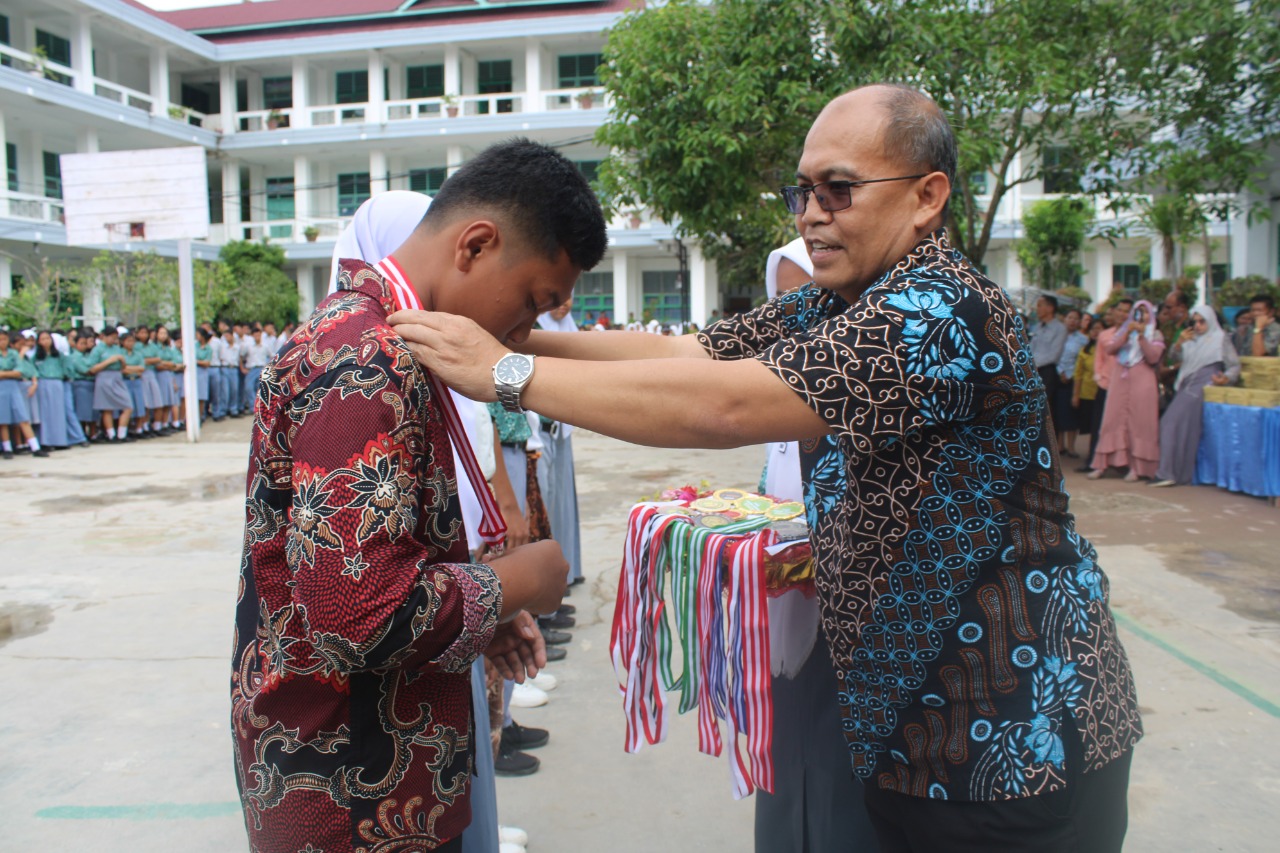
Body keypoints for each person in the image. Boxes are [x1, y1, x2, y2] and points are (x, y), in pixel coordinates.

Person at [394, 85, 1142, 853]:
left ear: (927, 197)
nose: (812, 213)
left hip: (1015, 733)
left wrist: (507, 373)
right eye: (804, 191)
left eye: (839, 189)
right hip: (917, 730)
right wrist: (500, 335)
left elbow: (728, 407)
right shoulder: (836, 302)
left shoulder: (942, 310)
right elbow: (686, 353)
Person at [231, 138, 604, 853]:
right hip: (346, 787)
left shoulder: (396, 337)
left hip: (381, 769)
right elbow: (356, 614)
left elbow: (378, 558)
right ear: (476, 244)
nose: (522, 335)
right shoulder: (361, 354)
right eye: (530, 304)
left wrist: (478, 617)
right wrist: (519, 578)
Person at [754, 236, 878, 853]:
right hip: (787, 602)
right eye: (783, 301)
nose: (797, 319)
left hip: (857, 620)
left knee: (836, 760)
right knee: (786, 742)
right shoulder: (783, 396)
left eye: (810, 298)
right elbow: (768, 494)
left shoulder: (872, 381)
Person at [1151, 306, 1240, 487]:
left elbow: (1234, 366)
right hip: (1187, 383)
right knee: (1186, 428)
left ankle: (1167, 472)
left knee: (1169, 422)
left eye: (1202, 321)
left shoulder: (1220, 338)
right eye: (1195, 322)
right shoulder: (1190, 339)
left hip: (1203, 383)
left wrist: (1225, 378)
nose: (1198, 326)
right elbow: (1174, 358)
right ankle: (1179, 473)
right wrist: (1179, 343)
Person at [534, 300, 584, 589]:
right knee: (545, 509)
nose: (565, 304)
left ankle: (568, 571)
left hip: (561, 430)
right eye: (558, 297)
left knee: (563, 504)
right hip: (538, 433)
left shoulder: (568, 330)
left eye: (570, 296)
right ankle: (551, 588)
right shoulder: (535, 330)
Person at [1089, 300, 1164, 481]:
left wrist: (1141, 336)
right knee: (1112, 419)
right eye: (1138, 312)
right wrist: (1127, 334)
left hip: (1143, 379)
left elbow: (1153, 357)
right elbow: (1110, 349)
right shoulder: (1123, 332)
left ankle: (1137, 468)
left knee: (1140, 423)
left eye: (1145, 312)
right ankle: (1102, 464)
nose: (1141, 316)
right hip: (1120, 379)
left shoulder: (1156, 334)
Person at [1081, 298, 1133, 472]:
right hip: (1105, 385)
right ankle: (1094, 461)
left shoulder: (1135, 335)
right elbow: (1099, 360)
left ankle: (1122, 463)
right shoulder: (1105, 335)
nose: (1122, 314)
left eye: (1127, 311)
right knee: (1099, 424)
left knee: (1124, 425)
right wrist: (1099, 378)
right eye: (1119, 310)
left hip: (1126, 387)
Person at [0, 328, 48, 459]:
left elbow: (19, 371)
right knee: (3, 420)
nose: (2, 342)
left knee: (23, 417)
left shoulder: (13, 354)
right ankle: (7, 448)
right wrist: (10, 373)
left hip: (14, 386)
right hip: (1, 388)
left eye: (4, 339)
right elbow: (14, 371)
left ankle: (35, 447)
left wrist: (4, 373)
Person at [87, 326, 134, 443]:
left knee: (128, 406)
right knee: (107, 408)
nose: (114, 340)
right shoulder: (97, 350)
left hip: (117, 376)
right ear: (104, 337)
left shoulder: (117, 348)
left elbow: (124, 367)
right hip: (104, 377)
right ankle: (111, 434)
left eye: (115, 338)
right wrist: (109, 361)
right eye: (112, 338)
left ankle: (121, 434)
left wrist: (122, 361)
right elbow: (92, 368)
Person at [1053, 308, 1088, 457]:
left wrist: (1070, 374)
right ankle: (1059, 445)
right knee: (1058, 412)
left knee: (1072, 412)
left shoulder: (1082, 340)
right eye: (1070, 318)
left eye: (1076, 318)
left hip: (1073, 379)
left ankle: (1072, 447)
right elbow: (1051, 356)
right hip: (1056, 376)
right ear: (1064, 319)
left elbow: (1081, 361)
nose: (1072, 321)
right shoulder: (1056, 337)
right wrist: (1060, 372)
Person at [1029, 294, 1066, 428]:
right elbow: (1031, 348)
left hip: (1047, 371)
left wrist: (1036, 364)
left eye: (1040, 305)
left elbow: (1054, 355)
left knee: (1047, 408)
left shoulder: (1060, 328)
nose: (1037, 309)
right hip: (1033, 371)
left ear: (1050, 308)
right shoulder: (1037, 326)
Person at [32, 330, 70, 450]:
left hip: (57, 383)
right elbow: (33, 369)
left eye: (48, 338)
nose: (46, 341)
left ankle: (60, 441)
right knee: (45, 413)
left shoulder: (58, 355)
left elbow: (65, 367)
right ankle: (45, 441)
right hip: (43, 383)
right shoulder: (36, 356)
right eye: (43, 339)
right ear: (38, 341)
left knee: (58, 412)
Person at [1071, 321, 1102, 454]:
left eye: (1099, 329)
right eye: (1093, 329)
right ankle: (1090, 454)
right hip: (1086, 392)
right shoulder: (1084, 350)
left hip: (1102, 392)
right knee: (1089, 425)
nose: (1096, 332)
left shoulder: (1107, 350)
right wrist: (1075, 394)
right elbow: (1078, 373)